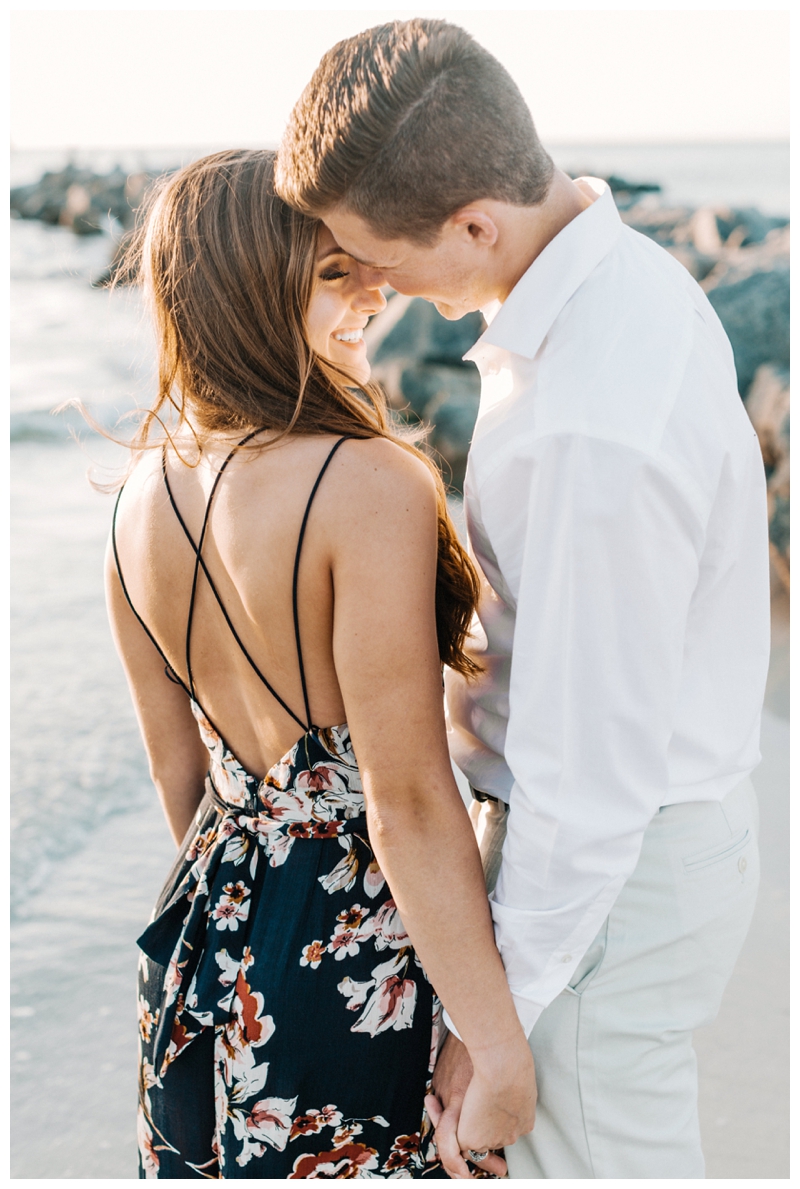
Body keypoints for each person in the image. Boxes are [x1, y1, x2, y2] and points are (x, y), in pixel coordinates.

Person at [275, 17, 771, 1179]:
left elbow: (588, 772)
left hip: (605, 878)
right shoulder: (624, 282)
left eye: (378, 256)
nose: (377, 289)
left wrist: (490, 1029)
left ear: (474, 224)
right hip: (657, 847)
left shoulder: (588, 424)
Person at [106, 149, 535, 1179]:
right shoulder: (369, 480)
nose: (376, 291)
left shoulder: (136, 499)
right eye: (335, 271)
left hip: (204, 939)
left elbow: (180, 776)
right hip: (349, 952)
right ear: (254, 285)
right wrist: (496, 1042)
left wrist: (258, 892)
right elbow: (407, 802)